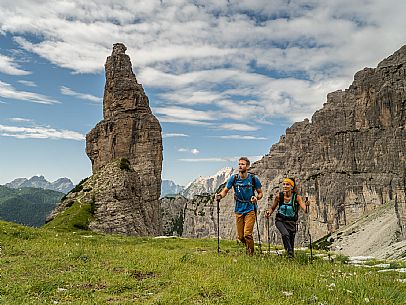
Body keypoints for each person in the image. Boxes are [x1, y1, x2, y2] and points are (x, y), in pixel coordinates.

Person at [215, 157, 263, 255]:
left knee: (247, 234)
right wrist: (220, 196)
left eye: (243, 164)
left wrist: (256, 198)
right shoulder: (234, 178)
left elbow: (260, 193)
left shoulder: (253, 179)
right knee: (241, 237)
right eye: (239, 164)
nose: (240, 166)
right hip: (239, 209)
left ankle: (251, 254)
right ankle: (248, 247)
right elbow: (225, 190)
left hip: (250, 209)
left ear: (248, 166)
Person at [265, 178, 308, 258]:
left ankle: (289, 255)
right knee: (285, 234)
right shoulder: (279, 196)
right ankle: (290, 254)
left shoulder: (297, 198)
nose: (285, 186)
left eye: (287, 184)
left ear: (292, 186)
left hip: (291, 222)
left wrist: (307, 205)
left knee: (291, 241)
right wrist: (269, 213)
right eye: (284, 184)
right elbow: (273, 208)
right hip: (280, 220)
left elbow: (305, 210)